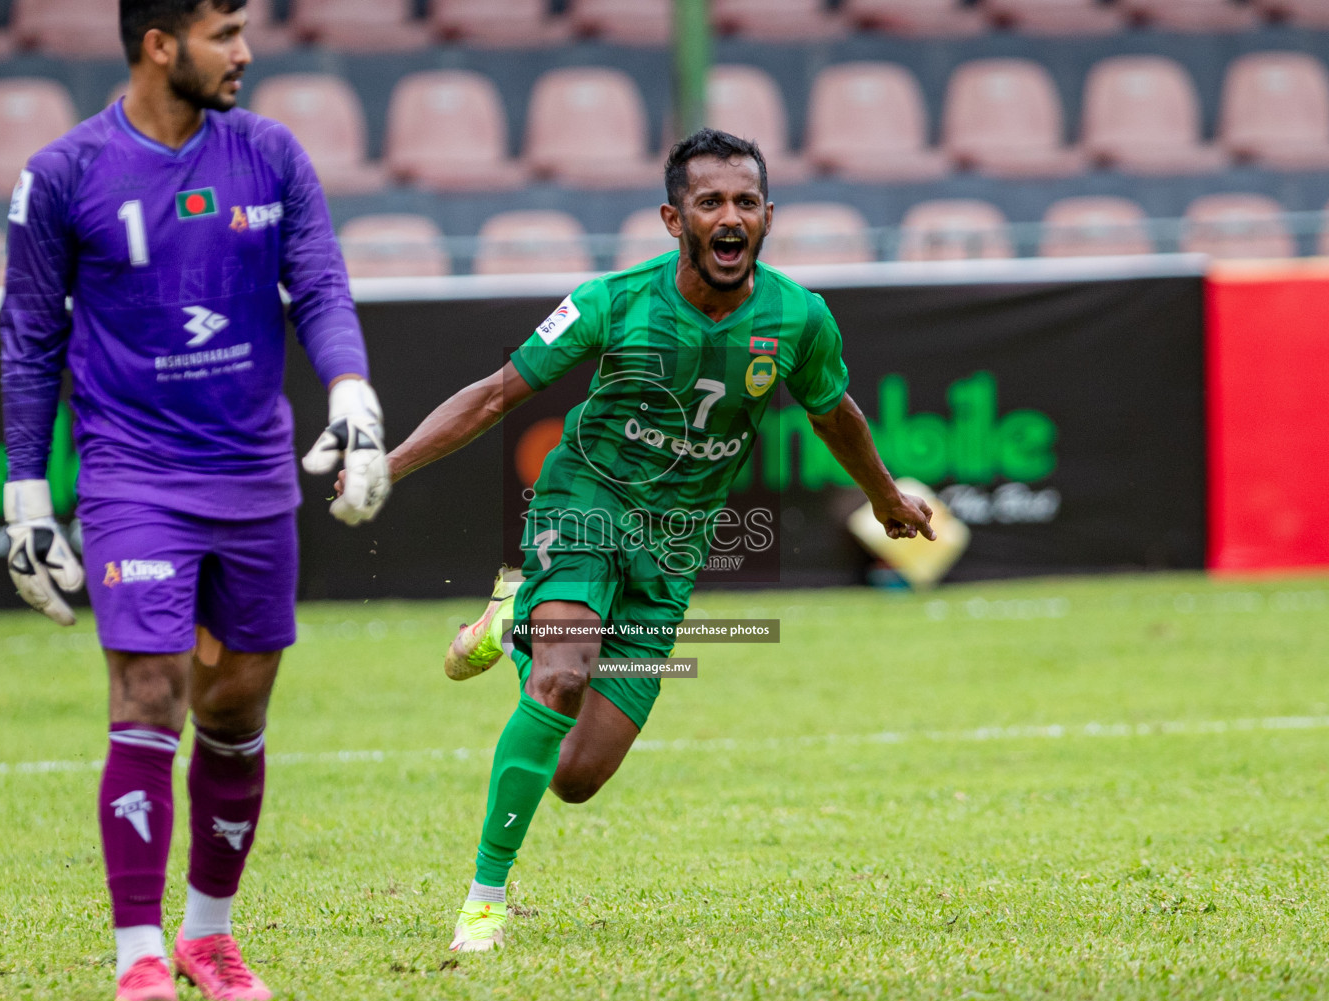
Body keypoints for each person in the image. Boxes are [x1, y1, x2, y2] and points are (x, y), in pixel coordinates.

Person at [372, 128, 934, 953]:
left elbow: (834, 413)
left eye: (745, 201)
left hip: (675, 549)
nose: (730, 216)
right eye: (711, 202)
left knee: (575, 778)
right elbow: (495, 395)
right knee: (562, 679)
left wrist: (884, 497)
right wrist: (387, 468)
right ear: (675, 220)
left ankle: (510, 625)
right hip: (585, 505)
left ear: (769, 216)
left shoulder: (799, 318)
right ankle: (484, 900)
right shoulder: (612, 300)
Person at [0, 0, 388, 1001]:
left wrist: (350, 387)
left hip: (254, 471)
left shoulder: (270, 153)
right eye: (226, 34)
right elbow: (29, 337)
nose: (246, 53)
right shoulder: (65, 174)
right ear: (159, 44)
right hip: (134, 475)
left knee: (237, 704)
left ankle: (207, 938)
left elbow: (321, 282)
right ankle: (137, 949)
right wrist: (27, 491)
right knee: (150, 689)